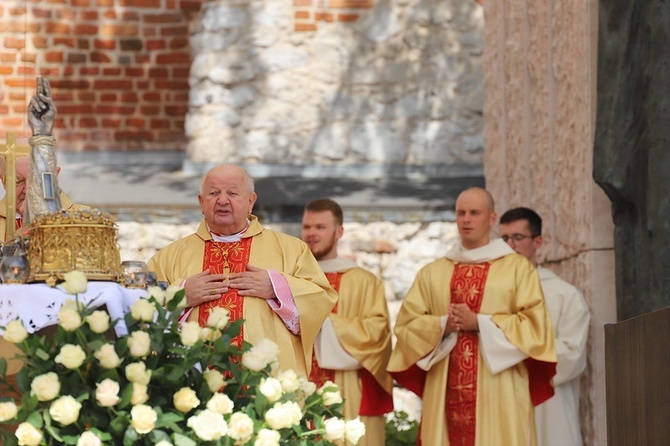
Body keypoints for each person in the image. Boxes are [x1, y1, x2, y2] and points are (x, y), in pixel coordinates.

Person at [387, 187, 557, 445]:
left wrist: (479, 322)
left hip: (500, 388)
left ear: (491, 219)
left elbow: (535, 328)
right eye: (461, 213)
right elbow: (406, 327)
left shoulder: (517, 269)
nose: (466, 219)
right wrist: (443, 324)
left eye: (474, 213)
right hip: (445, 386)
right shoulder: (433, 273)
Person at [147, 164, 338, 377]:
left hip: (268, 386)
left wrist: (277, 287)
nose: (222, 200)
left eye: (232, 193)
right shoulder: (169, 257)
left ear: (251, 201)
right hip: (192, 386)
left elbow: (320, 300)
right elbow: (141, 313)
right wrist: (179, 297)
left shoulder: (292, 250)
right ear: (201, 202)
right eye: (213, 193)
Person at [301, 198, 394, 446]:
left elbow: (377, 334)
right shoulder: (290, 280)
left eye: (320, 227)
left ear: (339, 232)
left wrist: (323, 322)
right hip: (299, 389)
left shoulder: (364, 282)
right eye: (307, 226)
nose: (311, 233)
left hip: (349, 390)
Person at [500, 207, 590, 446]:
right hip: (501, 408)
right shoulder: (491, 296)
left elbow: (573, 355)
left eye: (518, 238)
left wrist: (514, 350)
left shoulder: (564, 295)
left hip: (550, 409)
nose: (510, 245)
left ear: (538, 242)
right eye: (504, 238)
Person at [0, 77, 83, 242]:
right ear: (3, 181)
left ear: (55, 177)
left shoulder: (82, 221)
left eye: (36, 180)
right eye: (18, 181)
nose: (27, 189)